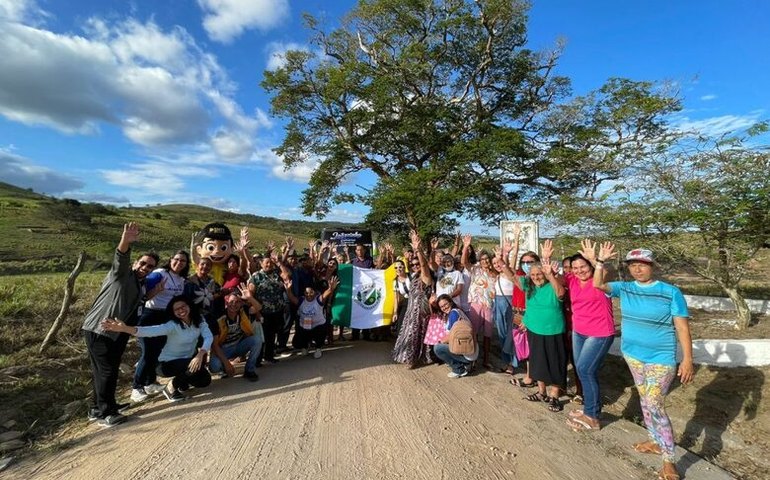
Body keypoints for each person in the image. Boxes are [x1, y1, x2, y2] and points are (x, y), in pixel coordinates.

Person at [592, 244, 693, 480]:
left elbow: (682, 327)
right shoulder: (625, 288)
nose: (637, 269)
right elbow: (598, 284)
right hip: (633, 355)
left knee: (655, 404)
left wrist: (687, 359)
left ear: (652, 266)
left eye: (642, 265)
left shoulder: (670, 292)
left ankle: (669, 460)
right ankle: (654, 440)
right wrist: (599, 262)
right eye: (633, 265)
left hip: (661, 358)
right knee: (645, 401)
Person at [81, 222, 158, 427]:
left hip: (117, 332)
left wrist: (153, 293)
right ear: (135, 262)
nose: (145, 268)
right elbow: (120, 257)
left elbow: (134, 303)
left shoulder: (140, 283)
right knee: (106, 371)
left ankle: (98, 407)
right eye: (143, 263)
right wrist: (126, 240)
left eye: (150, 266)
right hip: (101, 328)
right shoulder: (122, 274)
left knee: (106, 370)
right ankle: (107, 413)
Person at [102, 295, 213, 403]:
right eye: (177, 309)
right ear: (173, 313)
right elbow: (150, 331)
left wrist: (201, 353)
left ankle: (182, 382)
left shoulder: (199, 320)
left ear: (189, 306)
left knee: (204, 381)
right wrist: (125, 328)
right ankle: (170, 388)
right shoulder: (172, 325)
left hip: (186, 360)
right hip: (165, 364)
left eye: (183, 306)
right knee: (192, 365)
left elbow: (208, 336)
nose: (181, 310)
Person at [563, 241, 616, 431]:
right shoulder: (572, 280)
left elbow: (607, 272)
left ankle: (592, 416)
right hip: (580, 331)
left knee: (585, 369)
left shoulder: (600, 281)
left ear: (590, 266)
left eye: (583, 266)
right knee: (582, 369)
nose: (579, 271)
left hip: (600, 332)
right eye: (575, 268)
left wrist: (596, 259)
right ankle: (590, 407)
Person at [131, 250, 190, 402]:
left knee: (156, 351)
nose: (179, 263)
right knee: (148, 352)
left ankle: (149, 382)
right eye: (176, 259)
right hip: (150, 315)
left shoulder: (181, 280)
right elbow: (140, 291)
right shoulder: (159, 273)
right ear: (171, 259)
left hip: (166, 317)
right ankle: (136, 387)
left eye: (183, 261)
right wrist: (155, 291)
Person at [519, 240, 567, 414]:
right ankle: (541, 392)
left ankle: (554, 395)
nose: (536, 277)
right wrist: (505, 258)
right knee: (538, 362)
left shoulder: (552, 285)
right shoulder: (529, 287)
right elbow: (510, 274)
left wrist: (550, 275)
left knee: (555, 362)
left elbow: (561, 293)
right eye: (533, 275)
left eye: (539, 274)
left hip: (553, 329)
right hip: (534, 328)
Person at [392, 230, 434, 368]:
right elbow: (398, 270)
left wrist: (418, 250)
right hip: (411, 310)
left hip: (422, 312)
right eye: (413, 265)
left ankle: (418, 359)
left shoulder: (425, 276)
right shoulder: (414, 277)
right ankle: (410, 358)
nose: (415, 266)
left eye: (417, 264)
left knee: (418, 336)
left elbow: (423, 265)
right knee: (410, 335)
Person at [210, 284, 263, 381]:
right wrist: (227, 363)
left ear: (242, 304)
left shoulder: (243, 312)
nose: (234, 304)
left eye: (238, 302)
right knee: (214, 367)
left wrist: (249, 297)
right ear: (227, 302)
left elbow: (258, 307)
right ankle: (225, 369)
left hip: (239, 346)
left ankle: (249, 370)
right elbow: (215, 345)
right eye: (232, 301)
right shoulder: (219, 317)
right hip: (224, 349)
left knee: (257, 339)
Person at [248, 254, 292, 363]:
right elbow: (250, 295)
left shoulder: (276, 274)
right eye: (266, 262)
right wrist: (257, 312)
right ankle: (257, 360)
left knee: (272, 335)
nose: (269, 264)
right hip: (262, 311)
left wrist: (279, 263)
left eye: (270, 262)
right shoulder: (256, 276)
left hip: (277, 310)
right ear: (261, 264)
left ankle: (269, 356)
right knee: (261, 336)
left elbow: (287, 276)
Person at [461, 234, 496, 368]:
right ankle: (471, 359)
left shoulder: (495, 274)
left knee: (488, 336)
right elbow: (464, 262)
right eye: (482, 259)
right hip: (475, 305)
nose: (485, 262)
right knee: (473, 333)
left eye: (487, 259)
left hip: (489, 306)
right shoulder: (475, 270)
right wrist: (465, 247)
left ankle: (486, 359)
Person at [287, 276, 340, 358]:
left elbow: (327, 293)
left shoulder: (319, 300)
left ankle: (318, 348)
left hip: (318, 325)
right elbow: (291, 297)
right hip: (304, 326)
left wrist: (331, 288)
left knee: (321, 332)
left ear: (315, 292)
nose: (309, 295)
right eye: (306, 293)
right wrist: (288, 289)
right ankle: (304, 347)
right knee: (297, 341)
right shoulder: (301, 300)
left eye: (311, 292)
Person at [433, 295, 479, 378]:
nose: (444, 308)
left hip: (467, 352)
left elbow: (451, 336)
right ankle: (465, 364)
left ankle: (459, 369)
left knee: (438, 348)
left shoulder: (453, 314)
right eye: (442, 307)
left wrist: (440, 342)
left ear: (450, 302)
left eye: (445, 304)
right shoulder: (457, 311)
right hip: (471, 350)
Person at [185, 257, 224, 325]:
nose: (205, 266)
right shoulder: (189, 281)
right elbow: (186, 299)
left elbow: (219, 296)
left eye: (208, 265)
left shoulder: (213, 282)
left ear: (211, 268)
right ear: (197, 266)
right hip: (193, 316)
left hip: (210, 317)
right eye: (202, 264)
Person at [392, 260, 411, 336]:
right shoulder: (395, 282)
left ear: (404, 267)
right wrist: (395, 312)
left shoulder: (411, 276)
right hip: (406, 302)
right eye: (396, 267)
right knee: (400, 324)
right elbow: (396, 298)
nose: (398, 269)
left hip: (416, 302)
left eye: (400, 267)